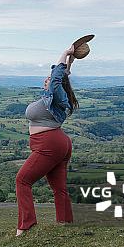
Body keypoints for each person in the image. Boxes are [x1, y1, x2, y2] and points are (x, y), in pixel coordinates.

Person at [15, 45, 78, 234]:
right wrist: (69, 63)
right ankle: (65, 224)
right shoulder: (54, 98)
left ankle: (26, 226)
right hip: (59, 143)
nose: (47, 80)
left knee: (22, 181)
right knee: (59, 188)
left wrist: (64, 53)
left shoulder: (56, 94)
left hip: (49, 144)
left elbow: (57, 78)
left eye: (49, 79)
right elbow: (61, 76)